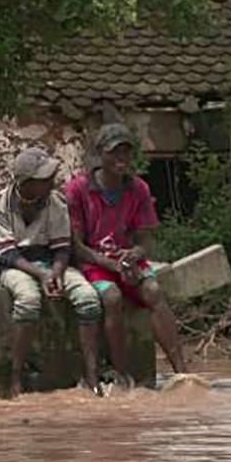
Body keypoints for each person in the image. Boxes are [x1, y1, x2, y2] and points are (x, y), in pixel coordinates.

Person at [65, 123, 188, 383]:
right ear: (101, 154)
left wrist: (133, 254)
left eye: (126, 153)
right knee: (111, 297)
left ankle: (182, 373)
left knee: (153, 291)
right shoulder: (78, 190)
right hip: (95, 261)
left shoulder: (138, 189)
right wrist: (112, 265)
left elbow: (145, 240)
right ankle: (121, 374)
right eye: (115, 152)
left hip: (126, 260)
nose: (121, 159)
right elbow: (77, 247)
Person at [0, 147, 104, 397]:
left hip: (51, 262)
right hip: (15, 265)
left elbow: (63, 247)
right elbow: (7, 253)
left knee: (88, 299)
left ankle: (92, 375)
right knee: (28, 301)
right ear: (27, 183)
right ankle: (16, 375)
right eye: (44, 179)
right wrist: (41, 276)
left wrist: (55, 273)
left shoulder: (56, 202)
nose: (51, 182)